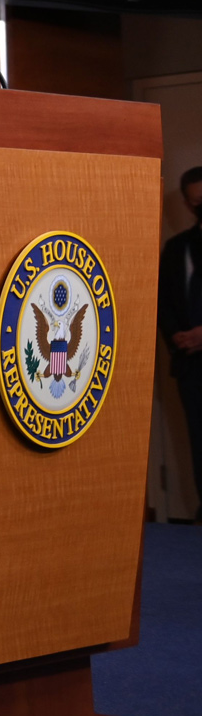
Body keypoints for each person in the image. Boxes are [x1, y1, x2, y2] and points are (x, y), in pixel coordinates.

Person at [158, 165, 202, 509]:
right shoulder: (177, 248)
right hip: (191, 370)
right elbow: (164, 302)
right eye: (196, 202)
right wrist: (178, 337)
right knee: (199, 446)